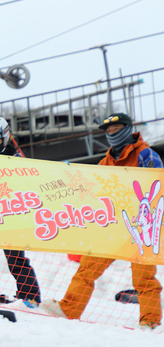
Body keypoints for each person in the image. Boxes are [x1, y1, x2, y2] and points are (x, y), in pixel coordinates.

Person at [40, 112, 162, 330]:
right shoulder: (105, 162)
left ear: (127, 129)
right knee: (87, 269)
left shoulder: (146, 155)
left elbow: (157, 187)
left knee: (144, 278)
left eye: (116, 130)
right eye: (108, 132)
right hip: (113, 228)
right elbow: (95, 193)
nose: (112, 134)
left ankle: (150, 321)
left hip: (142, 228)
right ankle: (69, 309)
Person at [0, 116, 42, 306]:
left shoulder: (16, 159)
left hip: (10, 216)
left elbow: (30, 182)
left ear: (4, 138)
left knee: (15, 259)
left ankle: (30, 296)